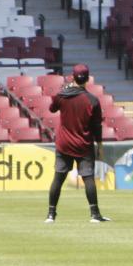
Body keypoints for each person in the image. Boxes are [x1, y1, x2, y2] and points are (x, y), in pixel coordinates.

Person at [47, 64, 109, 224]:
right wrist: (100, 146)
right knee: (88, 178)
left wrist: (63, 90)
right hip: (83, 144)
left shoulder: (62, 95)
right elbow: (97, 126)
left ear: (72, 77)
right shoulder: (92, 100)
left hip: (64, 143)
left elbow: (52, 108)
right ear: (87, 79)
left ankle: (51, 215)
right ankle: (95, 215)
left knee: (58, 178)